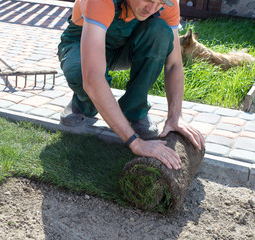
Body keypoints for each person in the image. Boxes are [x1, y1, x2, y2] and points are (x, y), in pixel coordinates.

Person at [57, 0, 205, 170]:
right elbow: (93, 78)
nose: (152, 9)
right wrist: (134, 142)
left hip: (123, 47)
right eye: (148, 0)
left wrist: (175, 116)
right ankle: (82, 103)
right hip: (81, 43)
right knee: (83, 76)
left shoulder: (168, 3)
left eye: (159, 4)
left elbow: (173, 65)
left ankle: (134, 111)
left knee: (160, 32)